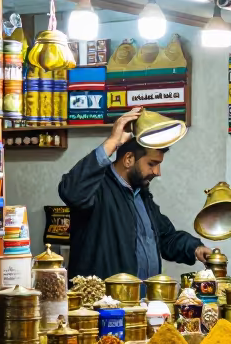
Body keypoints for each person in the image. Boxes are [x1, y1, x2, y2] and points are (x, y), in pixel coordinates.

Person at [58, 107, 212, 280]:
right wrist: (112, 142)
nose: (157, 172)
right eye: (152, 164)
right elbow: (71, 191)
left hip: (140, 304)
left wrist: (194, 248)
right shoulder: (97, 189)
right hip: (102, 304)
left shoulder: (141, 195)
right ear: (129, 159)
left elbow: (165, 237)